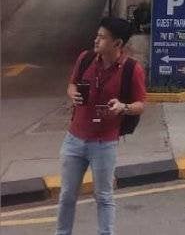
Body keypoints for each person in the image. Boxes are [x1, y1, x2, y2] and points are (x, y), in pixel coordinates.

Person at [57, 17, 147, 235]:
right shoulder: (86, 58)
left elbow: (140, 105)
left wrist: (123, 106)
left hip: (104, 143)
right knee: (67, 195)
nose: (96, 40)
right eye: (97, 35)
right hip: (74, 139)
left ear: (117, 44)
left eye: (102, 37)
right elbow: (71, 84)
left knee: (104, 197)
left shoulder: (131, 70)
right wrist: (73, 94)